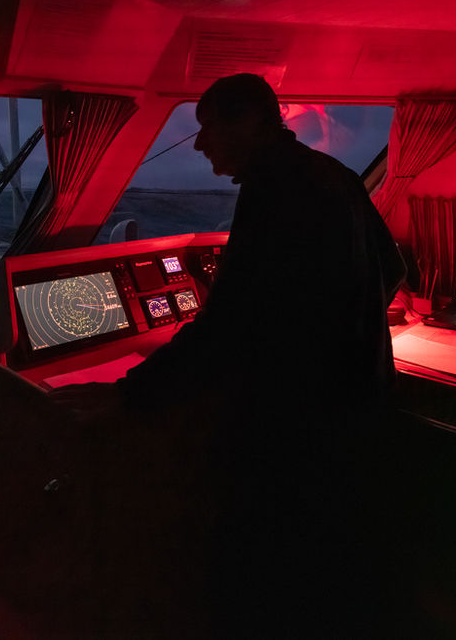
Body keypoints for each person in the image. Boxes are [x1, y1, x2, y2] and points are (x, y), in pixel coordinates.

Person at [53, 73, 406, 636]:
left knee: (257, 573)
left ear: (250, 121)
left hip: (292, 427)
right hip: (357, 408)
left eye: (207, 127)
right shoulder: (332, 174)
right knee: (328, 566)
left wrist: (127, 393)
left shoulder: (275, 187)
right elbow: (391, 269)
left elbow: (227, 328)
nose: (199, 144)